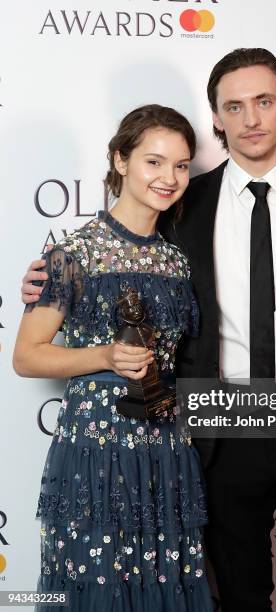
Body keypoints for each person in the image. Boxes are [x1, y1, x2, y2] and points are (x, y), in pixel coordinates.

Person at [21, 49, 276, 612]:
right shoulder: (184, 206)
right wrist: (48, 280)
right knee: (240, 597)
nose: (251, 119)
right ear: (216, 117)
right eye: (234, 106)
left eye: (264, 102)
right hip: (218, 428)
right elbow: (121, 250)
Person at [14, 104, 214, 611]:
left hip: (166, 448)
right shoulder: (71, 254)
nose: (168, 177)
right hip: (96, 452)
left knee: (165, 584)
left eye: (181, 165)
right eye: (154, 161)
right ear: (120, 160)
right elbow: (27, 357)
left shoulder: (178, 259)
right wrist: (103, 354)